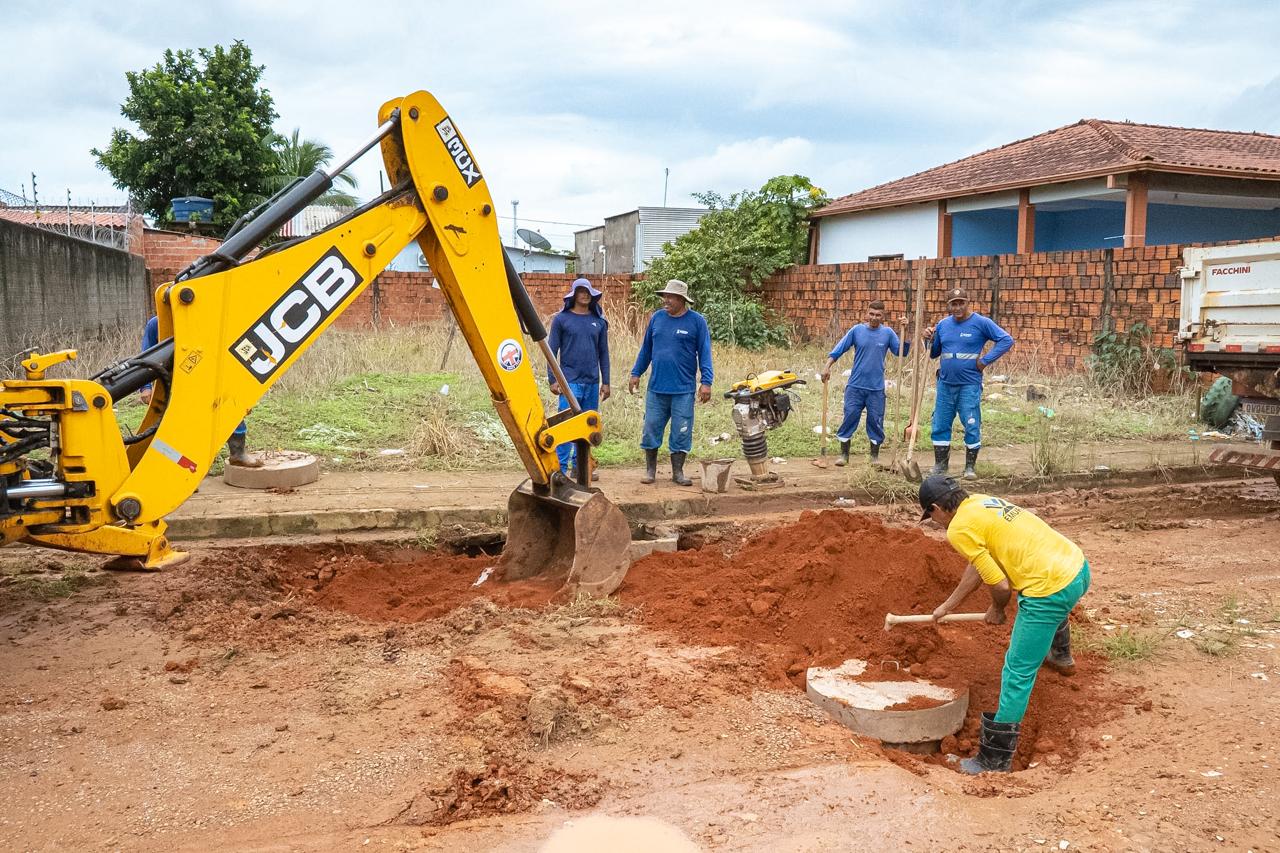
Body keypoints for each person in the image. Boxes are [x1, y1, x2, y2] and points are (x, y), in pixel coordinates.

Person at [920, 475, 1089, 774]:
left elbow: (999, 585)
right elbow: (978, 564)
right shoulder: (979, 503)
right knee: (1046, 594)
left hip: (1050, 590)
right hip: (1075, 567)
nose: (935, 523)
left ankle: (993, 759)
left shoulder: (957, 528)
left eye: (930, 517)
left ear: (936, 508)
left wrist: (997, 610)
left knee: (1017, 670)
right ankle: (1060, 655)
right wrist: (948, 606)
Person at [140, 315, 261, 468]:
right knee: (178, 428)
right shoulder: (157, 324)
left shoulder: (213, 315)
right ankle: (179, 470)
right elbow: (147, 356)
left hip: (209, 377)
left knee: (231, 410)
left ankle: (238, 454)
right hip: (174, 383)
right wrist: (146, 387)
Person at [628, 279, 713, 487]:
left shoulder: (697, 322)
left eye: (671, 297)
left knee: (681, 431)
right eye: (664, 296)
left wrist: (706, 382)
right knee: (651, 428)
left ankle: (678, 472)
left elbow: (705, 353)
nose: (666, 300)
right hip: (657, 388)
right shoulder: (657, 319)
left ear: (682, 299)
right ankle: (650, 471)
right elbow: (646, 349)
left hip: (683, 389)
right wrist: (636, 372)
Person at [922, 288, 1013, 480]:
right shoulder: (943, 325)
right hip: (945, 383)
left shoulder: (981, 323)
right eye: (953, 304)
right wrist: (927, 339)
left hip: (969, 384)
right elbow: (934, 353)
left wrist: (984, 361)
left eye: (960, 303)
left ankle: (969, 467)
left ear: (968, 302)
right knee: (940, 423)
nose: (957, 307)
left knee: (971, 423)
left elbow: (1006, 340)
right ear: (948, 306)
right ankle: (940, 466)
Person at [819, 300, 907, 467]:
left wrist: (905, 332)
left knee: (875, 421)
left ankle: (874, 457)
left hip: (876, 389)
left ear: (883, 316)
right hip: (855, 386)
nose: (874, 318)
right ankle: (844, 455)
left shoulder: (888, 333)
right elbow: (839, 348)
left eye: (878, 315)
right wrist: (827, 366)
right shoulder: (857, 330)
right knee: (849, 417)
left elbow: (901, 352)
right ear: (867, 314)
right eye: (871, 314)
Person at [546, 277, 611, 481]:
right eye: (581, 291)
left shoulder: (599, 322)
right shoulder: (561, 320)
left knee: (587, 426)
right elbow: (551, 351)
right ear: (573, 295)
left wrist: (606, 381)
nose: (584, 295)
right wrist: (553, 379)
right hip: (569, 382)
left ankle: (581, 466)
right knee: (566, 425)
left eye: (588, 292)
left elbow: (604, 353)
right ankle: (560, 468)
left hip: (592, 381)